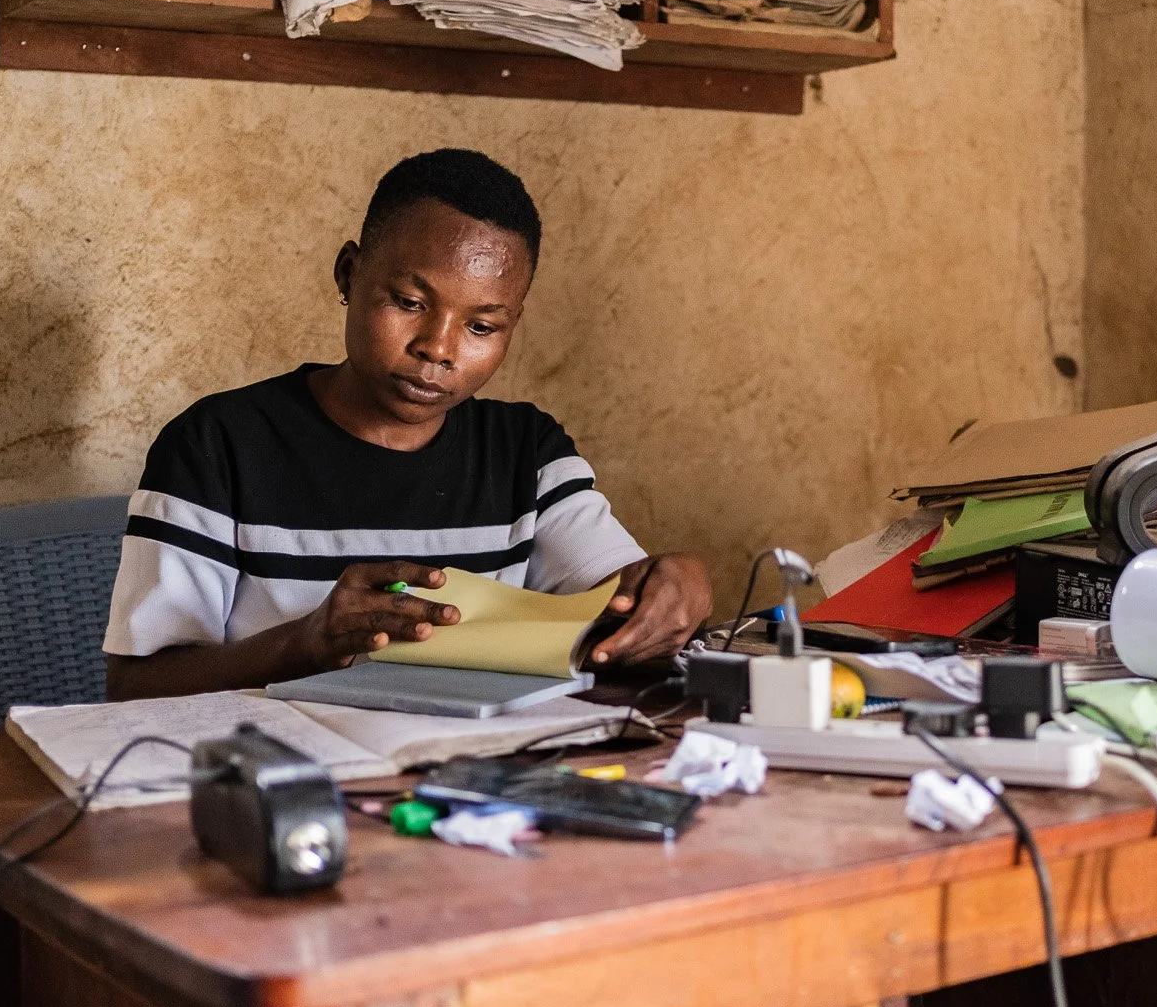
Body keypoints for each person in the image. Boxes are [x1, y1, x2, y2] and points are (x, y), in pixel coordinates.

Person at [102, 148, 711, 700]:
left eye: (482, 327)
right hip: (279, 776)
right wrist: (308, 642)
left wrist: (673, 585)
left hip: (464, 773)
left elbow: (617, 602)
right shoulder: (218, 446)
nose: (438, 349)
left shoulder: (526, 453)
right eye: (411, 303)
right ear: (348, 275)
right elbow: (135, 686)